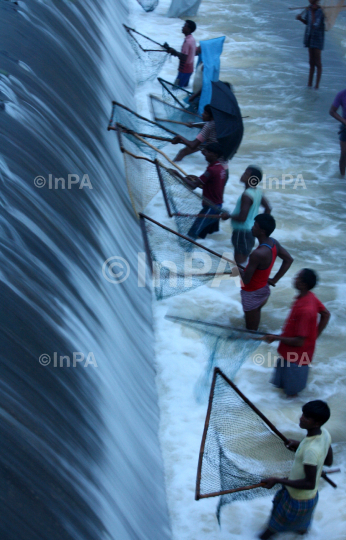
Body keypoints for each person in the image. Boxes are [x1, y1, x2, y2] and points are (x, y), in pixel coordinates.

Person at [259, 400, 333, 539]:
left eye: (306, 417)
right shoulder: (324, 433)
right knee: (301, 527)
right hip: (310, 498)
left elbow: (308, 483)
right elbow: (328, 461)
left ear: (316, 423)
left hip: (296, 499)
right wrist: (299, 445)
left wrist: (277, 480)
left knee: (269, 531)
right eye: (303, 414)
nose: (301, 418)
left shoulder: (310, 451)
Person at [263, 269, 330, 397]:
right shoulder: (310, 297)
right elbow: (326, 314)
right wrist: (314, 336)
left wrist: (276, 338)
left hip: (297, 360)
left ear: (303, 284)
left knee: (291, 396)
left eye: (297, 277)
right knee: (281, 392)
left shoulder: (306, 310)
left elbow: (300, 342)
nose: (294, 279)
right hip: (287, 354)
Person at [239, 214, 293, 331]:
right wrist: (274, 280)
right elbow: (288, 260)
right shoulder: (273, 243)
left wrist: (237, 269)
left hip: (252, 294)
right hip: (263, 290)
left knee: (250, 331)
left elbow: (246, 280)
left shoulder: (257, 254)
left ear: (262, 231)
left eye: (255, 226)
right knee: (251, 319)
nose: (252, 228)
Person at [222, 166, 271, 265]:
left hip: (242, 232)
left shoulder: (247, 195)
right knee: (243, 262)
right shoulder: (257, 192)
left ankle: (242, 280)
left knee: (239, 264)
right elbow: (268, 208)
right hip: (249, 232)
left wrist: (228, 216)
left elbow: (242, 218)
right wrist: (261, 226)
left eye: (246, 174)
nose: (243, 175)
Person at [179, 142, 227, 239]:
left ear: (215, 155)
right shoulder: (221, 168)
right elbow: (214, 184)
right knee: (210, 236)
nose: (205, 154)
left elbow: (193, 186)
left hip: (210, 207)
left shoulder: (211, 170)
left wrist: (178, 175)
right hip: (218, 206)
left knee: (192, 234)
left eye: (209, 152)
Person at [296, 0, 325, 90]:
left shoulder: (320, 11)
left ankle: (316, 85)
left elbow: (315, 25)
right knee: (311, 62)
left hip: (317, 39)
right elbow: (308, 23)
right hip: (309, 38)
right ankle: (309, 84)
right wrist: (300, 19)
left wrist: (312, 12)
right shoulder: (309, 9)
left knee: (318, 63)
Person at [167, 20, 197, 88]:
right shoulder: (192, 39)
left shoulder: (187, 41)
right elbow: (190, 54)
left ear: (189, 29)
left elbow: (184, 57)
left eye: (184, 26)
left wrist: (174, 52)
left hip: (184, 70)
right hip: (189, 70)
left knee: (176, 89)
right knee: (184, 88)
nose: (182, 27)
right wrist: (176, 53)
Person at [329, 87, 346, 176]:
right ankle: (342, 178)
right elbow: (332, 111)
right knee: (344, 154)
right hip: (345, 127)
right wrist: (344, 121)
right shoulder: (341, 94)